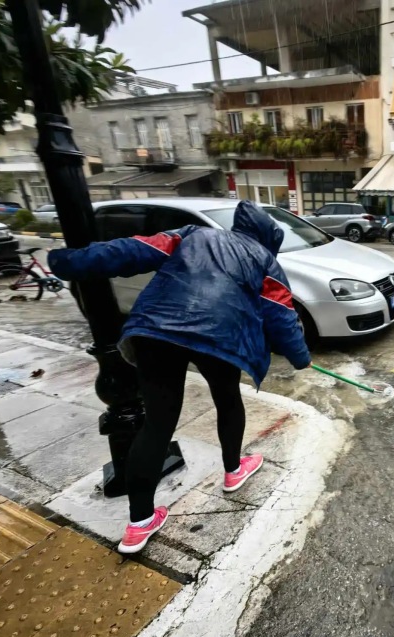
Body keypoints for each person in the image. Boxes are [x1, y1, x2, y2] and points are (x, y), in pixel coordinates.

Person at [48, 201, 311, 554]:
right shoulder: (265, 260)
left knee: (157, 424)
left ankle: (139, 523)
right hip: (219, 336)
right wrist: (301, 358)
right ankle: (234, 471)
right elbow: (281, 315)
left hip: (157, 331)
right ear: (269, 238)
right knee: (227, 399)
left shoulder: (191, 235)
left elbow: (131, 250)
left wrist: (67, 262)